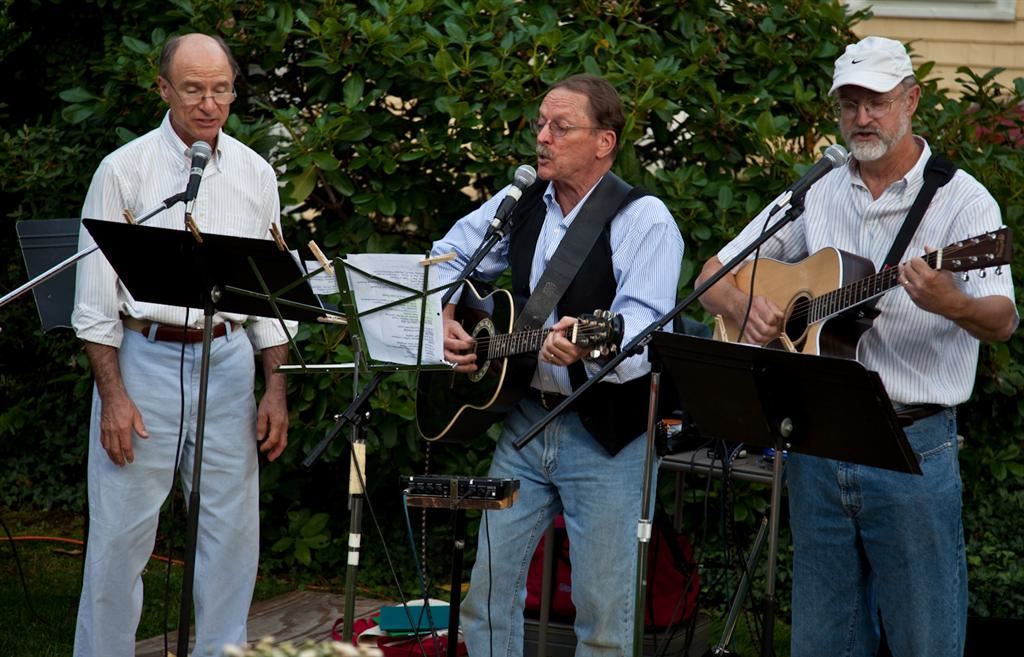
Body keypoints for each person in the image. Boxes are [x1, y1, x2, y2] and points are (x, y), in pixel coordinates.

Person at [695, 36, 1017, 657]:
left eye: (876, 102)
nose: (862, 118)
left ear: (912, 100)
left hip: (911, 444)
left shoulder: (963, 200)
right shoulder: (818, 189)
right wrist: (746, 308)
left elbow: (1002, 319)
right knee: (823, 637)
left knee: (925, 637)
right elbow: (714, 273)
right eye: (849, 104)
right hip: (818, 439)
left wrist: (949, 301)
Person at [429, 74, 684, 657]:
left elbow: (645, 333)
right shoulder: (518, 203)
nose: (542, 138)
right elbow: (444, 259)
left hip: (606, 434)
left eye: (560, 127)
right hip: (525, 421)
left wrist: (592, 350)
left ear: (604, 142)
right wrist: (443, 313)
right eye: (539, 124)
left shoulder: (644, 220)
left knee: (603, 615)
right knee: (487, 596)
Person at [71, 33, 294, 657]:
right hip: (143, 358)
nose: (209, 103)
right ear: (163, 89)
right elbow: (93, 305)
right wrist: (113, 396)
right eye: (193, 88)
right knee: (121, 535)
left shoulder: (255, 171)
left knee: (231, 535)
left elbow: (270, 297)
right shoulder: (124, 169)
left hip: (227, 361)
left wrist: (274, 386)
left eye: (221, 89)